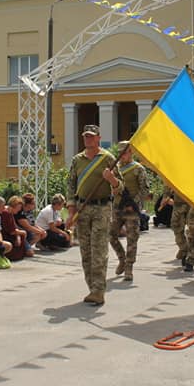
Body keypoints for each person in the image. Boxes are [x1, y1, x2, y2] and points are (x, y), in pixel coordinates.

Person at [67, 124, 122, 305]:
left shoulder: (108, 159)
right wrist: (71, 213)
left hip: (101, 208)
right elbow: (71, 187)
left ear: (98, 138)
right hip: (82, 209)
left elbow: (120, 187)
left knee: (99, 249)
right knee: (86, 251)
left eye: (91, 136)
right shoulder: (77, 160)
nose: (88, 139)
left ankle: (99, 291)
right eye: (85, 136)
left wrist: (111, 179)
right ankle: (92, 287)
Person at [109, 141, 149, 282]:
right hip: (118, 207)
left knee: (132, 239)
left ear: (130, 152)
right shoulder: (116, 169)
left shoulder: (138, 169)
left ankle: (129, 268)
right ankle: (122, 259)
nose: (122, 156)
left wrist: (134, 203)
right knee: (111, 235)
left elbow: (145, 189)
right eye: (120, 154)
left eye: (124, 153)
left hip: (131, 209)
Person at [1, 196, 31, 262]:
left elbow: (14, 226)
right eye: (19, 207)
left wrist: (18, 236)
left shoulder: (10, 212)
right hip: (5, 235)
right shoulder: (6, 213)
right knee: (24, 233)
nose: (19, 209)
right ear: (15, 205)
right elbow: (11, 231)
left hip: (11, 233)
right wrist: (22, 233)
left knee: (23, 235)